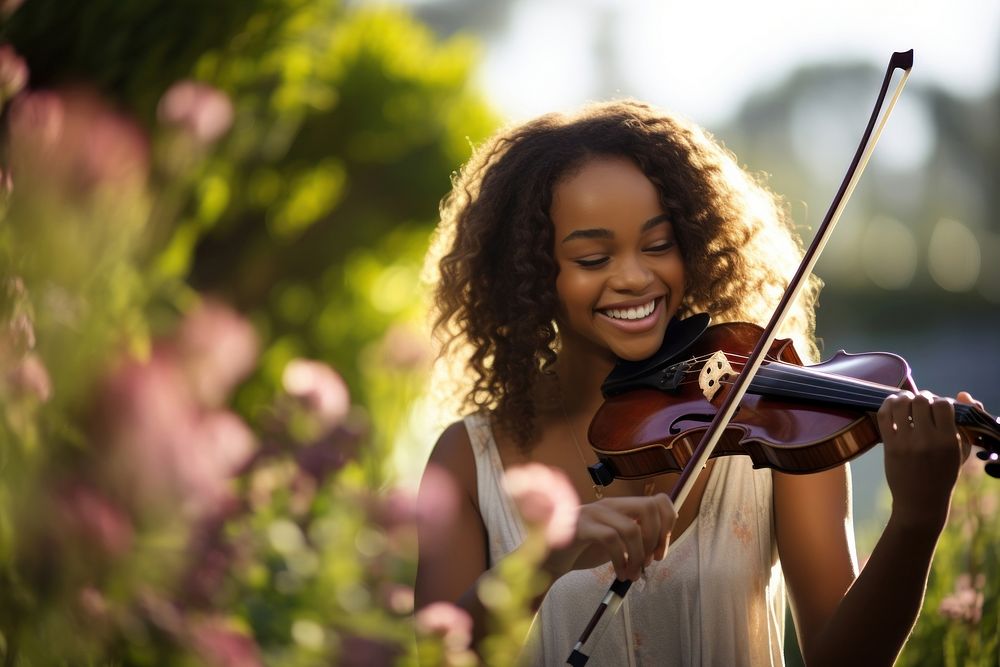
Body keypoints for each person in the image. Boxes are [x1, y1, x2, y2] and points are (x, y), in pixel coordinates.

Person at [415, 99, 977, 666]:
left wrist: (916, 518)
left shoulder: (776, 414)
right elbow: (435, 658)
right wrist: (545, 559)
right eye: (593, 257)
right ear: (532, 275)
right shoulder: (468, 458)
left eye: (659, 246)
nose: (636, 277)